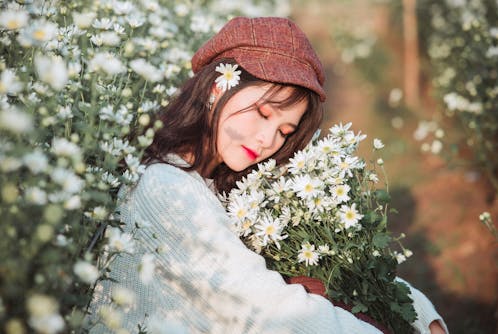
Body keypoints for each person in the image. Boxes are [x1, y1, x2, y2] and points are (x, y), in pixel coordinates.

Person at [88, 16, 448, 334]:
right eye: (263, 113)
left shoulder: (227, 187)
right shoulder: (166, 189)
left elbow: (333, 267)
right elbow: (269, 311)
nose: (268, 141)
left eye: (285, 130)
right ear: (218, 87)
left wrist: (417, 311)